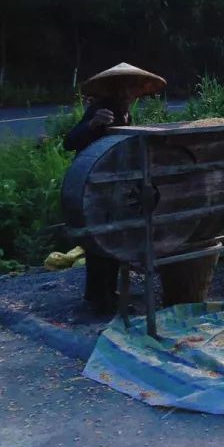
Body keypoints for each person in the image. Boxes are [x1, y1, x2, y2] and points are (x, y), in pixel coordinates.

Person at [63, 62, 166, 311]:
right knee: (101, 238)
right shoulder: (101, 109)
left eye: (133, 89)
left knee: (112, 238)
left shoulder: (126, 112)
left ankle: (105, 292)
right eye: (126, 89)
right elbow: (70, 142)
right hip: (94, 181)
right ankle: (100, 297)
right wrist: (93, 124)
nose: (130, 94)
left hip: (114, 182)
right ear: (115, 89)